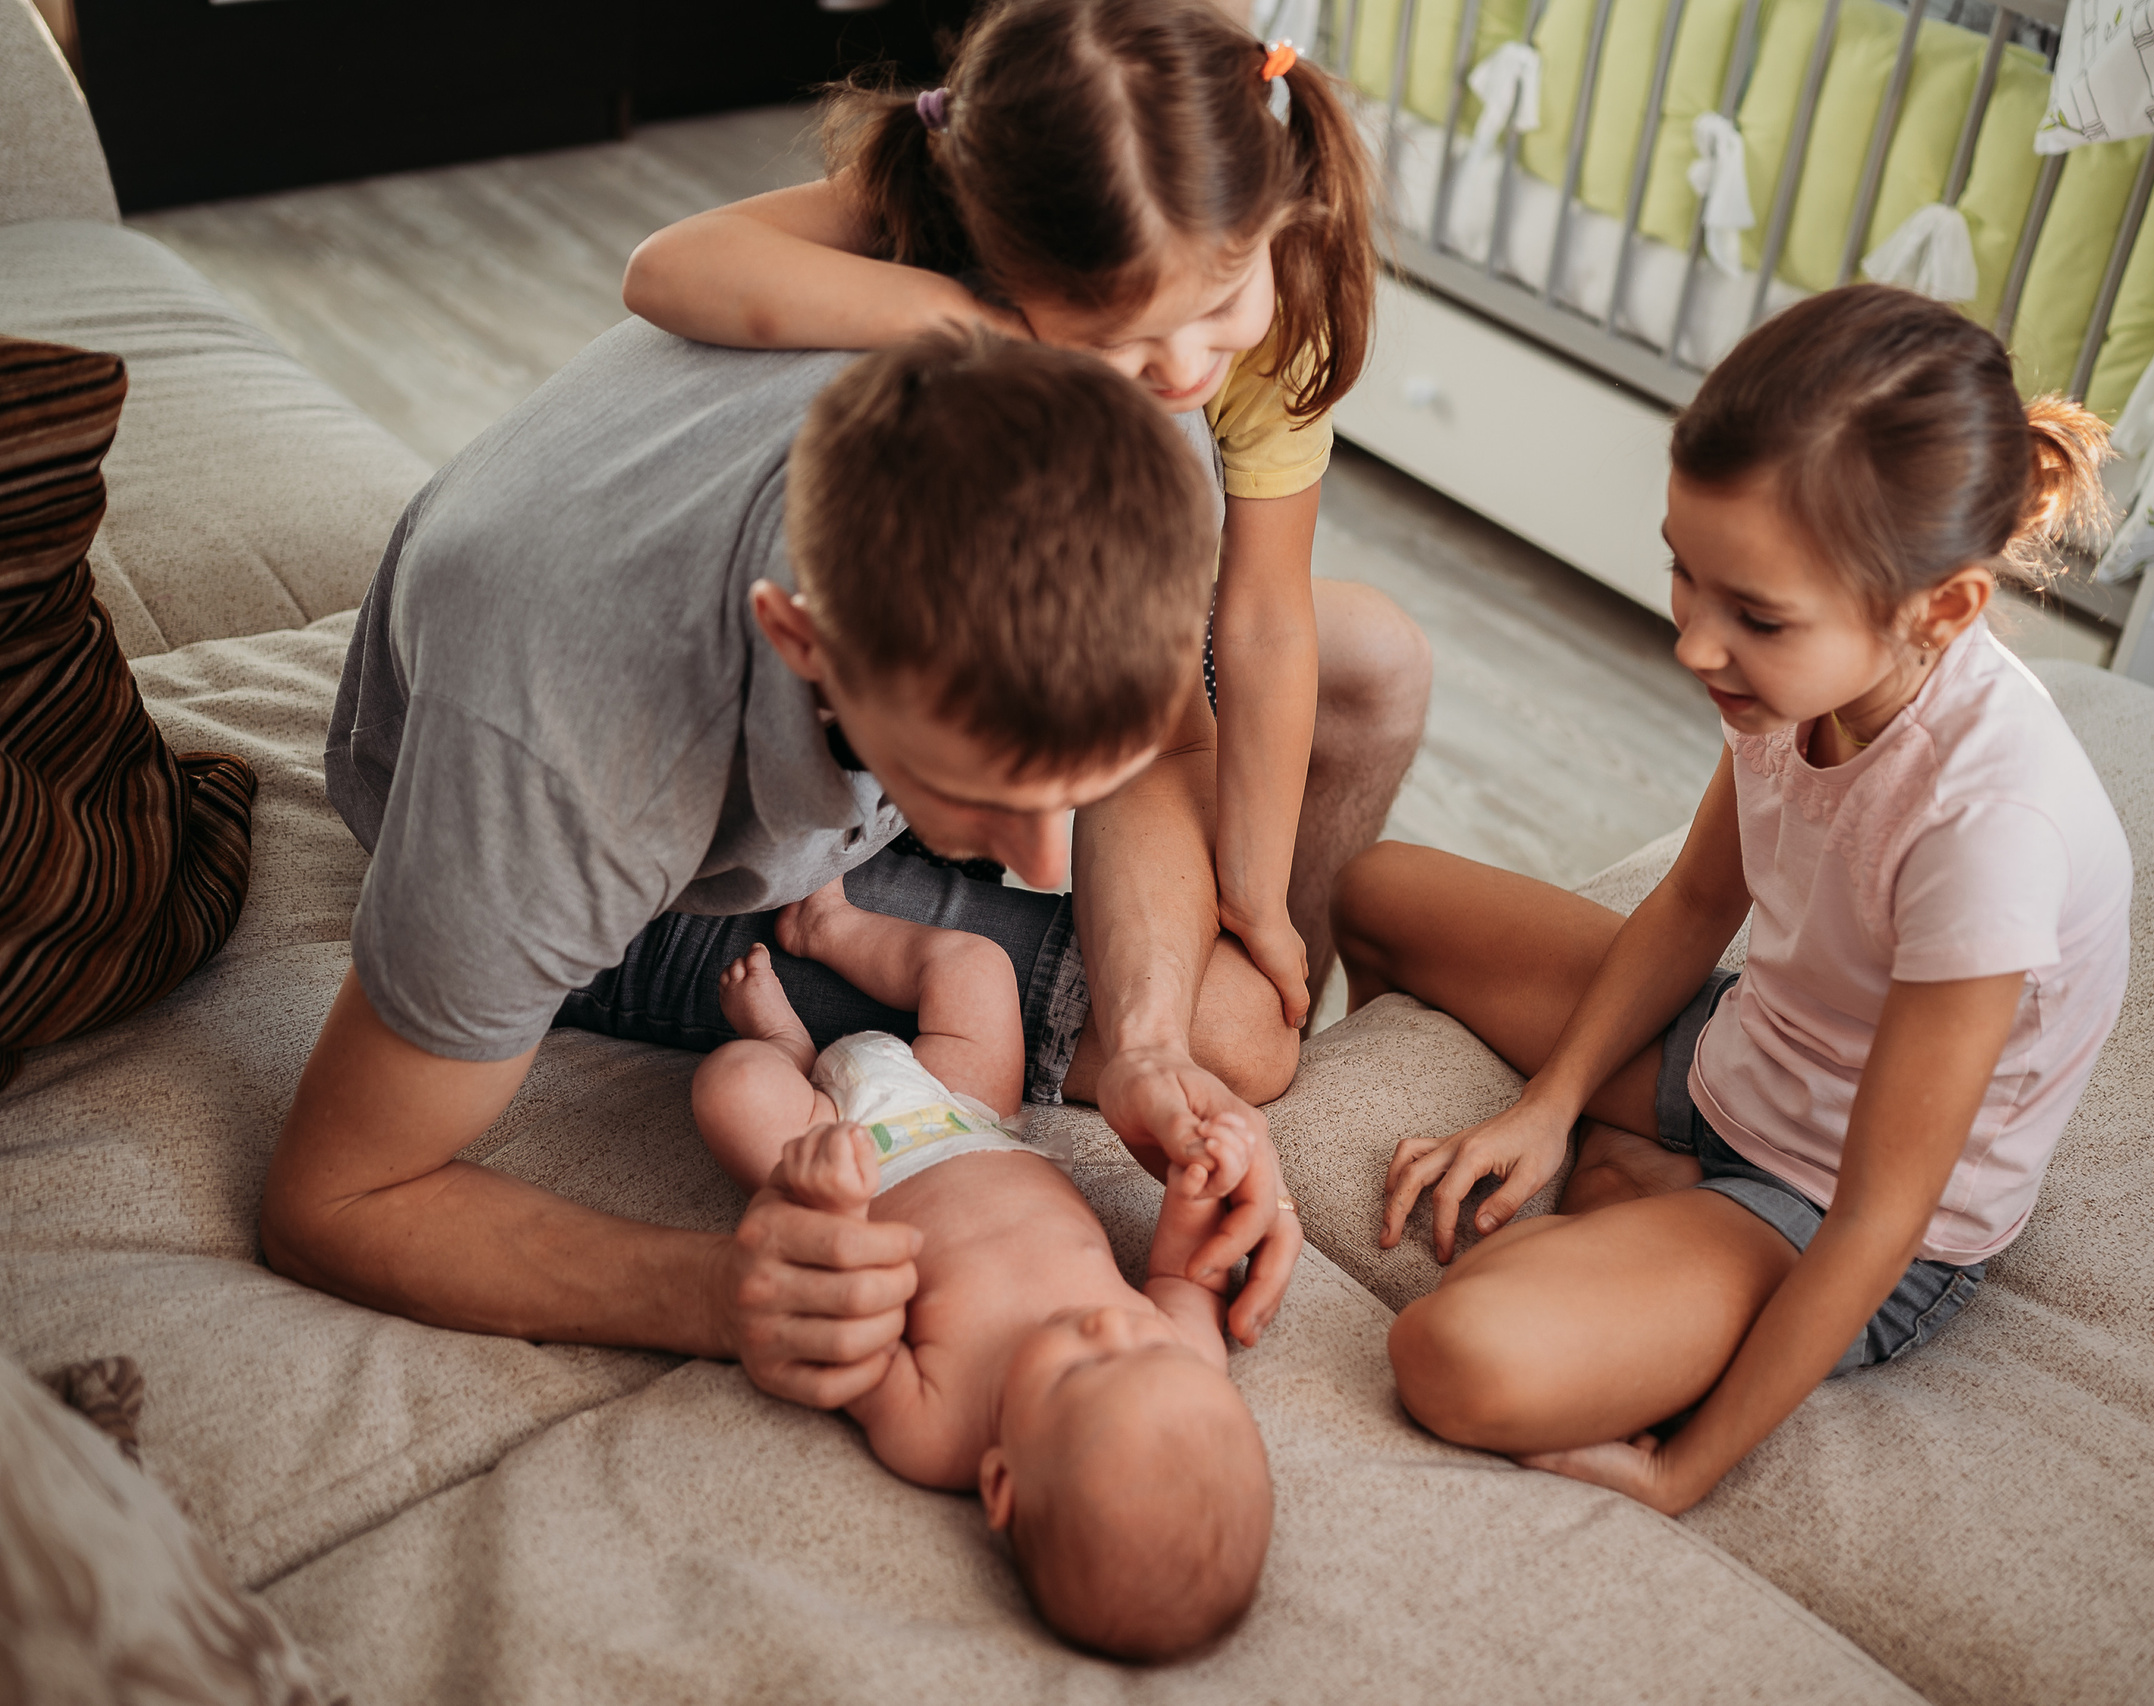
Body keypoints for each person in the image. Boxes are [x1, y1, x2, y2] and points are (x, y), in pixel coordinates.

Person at [264, 329, 1301, 1409]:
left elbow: (1173, 741)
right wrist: (720, 1292)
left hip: (766, 720)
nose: (1050, 859)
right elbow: (333, 1197)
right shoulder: (565, 768)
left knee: (1222, 1019)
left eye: (1078, 778)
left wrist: (1145, 1041)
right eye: (982, 787)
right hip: (597, 825)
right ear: (803, 639)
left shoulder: (1125, 420)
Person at [1331, 286, 2134, 1517]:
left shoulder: (1989, 828)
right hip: (1743, 1051)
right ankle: (1625, 1190)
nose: (1695, 644)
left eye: (1753, 615)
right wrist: (1544, 1110)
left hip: (1834, 1203)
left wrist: (1677, 1472)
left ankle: (1659, 1235)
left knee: (1454, 1355)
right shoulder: (1800, 683)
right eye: (1682, 575)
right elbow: (1699, 895)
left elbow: (1878, 1211)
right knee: (1376, 887)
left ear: (1943, 607)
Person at [622, 0, 1411, 1031]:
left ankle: (1267, 968)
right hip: (911, 664)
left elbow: (1261, 618)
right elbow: (665, 269)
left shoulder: (1271, 301)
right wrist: (981, 329)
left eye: (1216, 306)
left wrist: (1252, 892)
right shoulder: (978, 214)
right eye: (1121, 333)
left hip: (1083, 598)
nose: (1181, 369)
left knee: (1377, 660)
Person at [707, 963, 1270, 1662]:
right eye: (1148, 1348)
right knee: (980, 975)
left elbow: (845, 1319)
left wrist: (833, 1202)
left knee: (733, 1087)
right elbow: (1183, 1276)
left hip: (861, 1152)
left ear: (1000, 1481)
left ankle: (781, 1042)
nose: (1110, 1326)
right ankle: (832, 930)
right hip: (979, 1117)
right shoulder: (1192, 1357)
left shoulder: (936, 1433)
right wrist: (1196, 1186)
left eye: (1080, 1371)